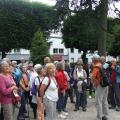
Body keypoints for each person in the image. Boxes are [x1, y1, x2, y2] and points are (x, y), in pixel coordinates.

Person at [91, 55, 109, 120]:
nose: (91, 60)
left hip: (100, 85)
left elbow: (93, 77)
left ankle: (99, 117)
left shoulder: (96, 66)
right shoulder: (103, 65)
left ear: (94, 60)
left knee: (98, 102)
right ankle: (105, 115)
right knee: (105, 101)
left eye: (92, 59)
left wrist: (94, 84)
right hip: (106, 84)